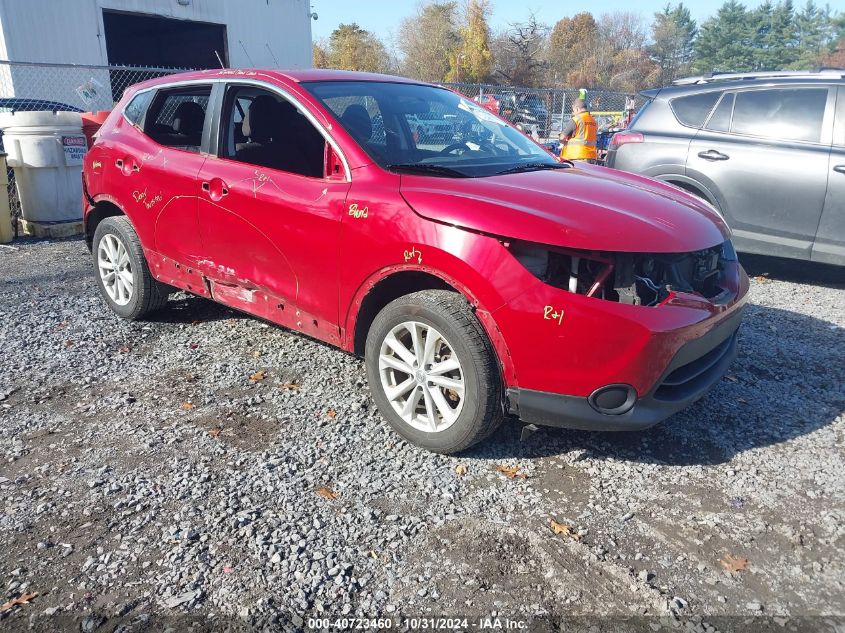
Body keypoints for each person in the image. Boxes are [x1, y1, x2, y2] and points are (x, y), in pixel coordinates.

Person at [559, 98, 597, 163]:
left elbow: (562, 137)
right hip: (591, 156)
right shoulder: (594, 121)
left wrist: (562, 141)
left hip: (576, 156)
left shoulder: (576, 120)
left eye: (573, 110)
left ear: (577, 109)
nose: (573, 113)